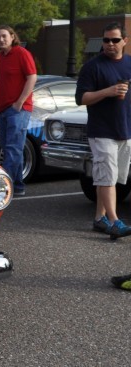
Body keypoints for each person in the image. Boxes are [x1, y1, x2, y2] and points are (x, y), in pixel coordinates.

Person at [74, 22, 131, 241]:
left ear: (124, 41)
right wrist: (108, 91)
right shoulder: (93, 66)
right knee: (107, 178)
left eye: (115, 40)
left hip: (124, 130)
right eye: (106, 40)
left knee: (110, 178)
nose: (109, 44)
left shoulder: (128, 63)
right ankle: (115, 221)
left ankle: (100, 218)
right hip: (102, 131)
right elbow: (81, 98)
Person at [0, 25, 36, 198]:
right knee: (10, 148)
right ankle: (17, 185)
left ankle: (1, 188)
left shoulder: (22, 53)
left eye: (4, 36)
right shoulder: (0, 57)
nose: (1, 40)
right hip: (2, 109)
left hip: (18, 110)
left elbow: (32, 77)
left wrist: (20, 102)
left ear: (12, 36)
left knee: (13, 148)